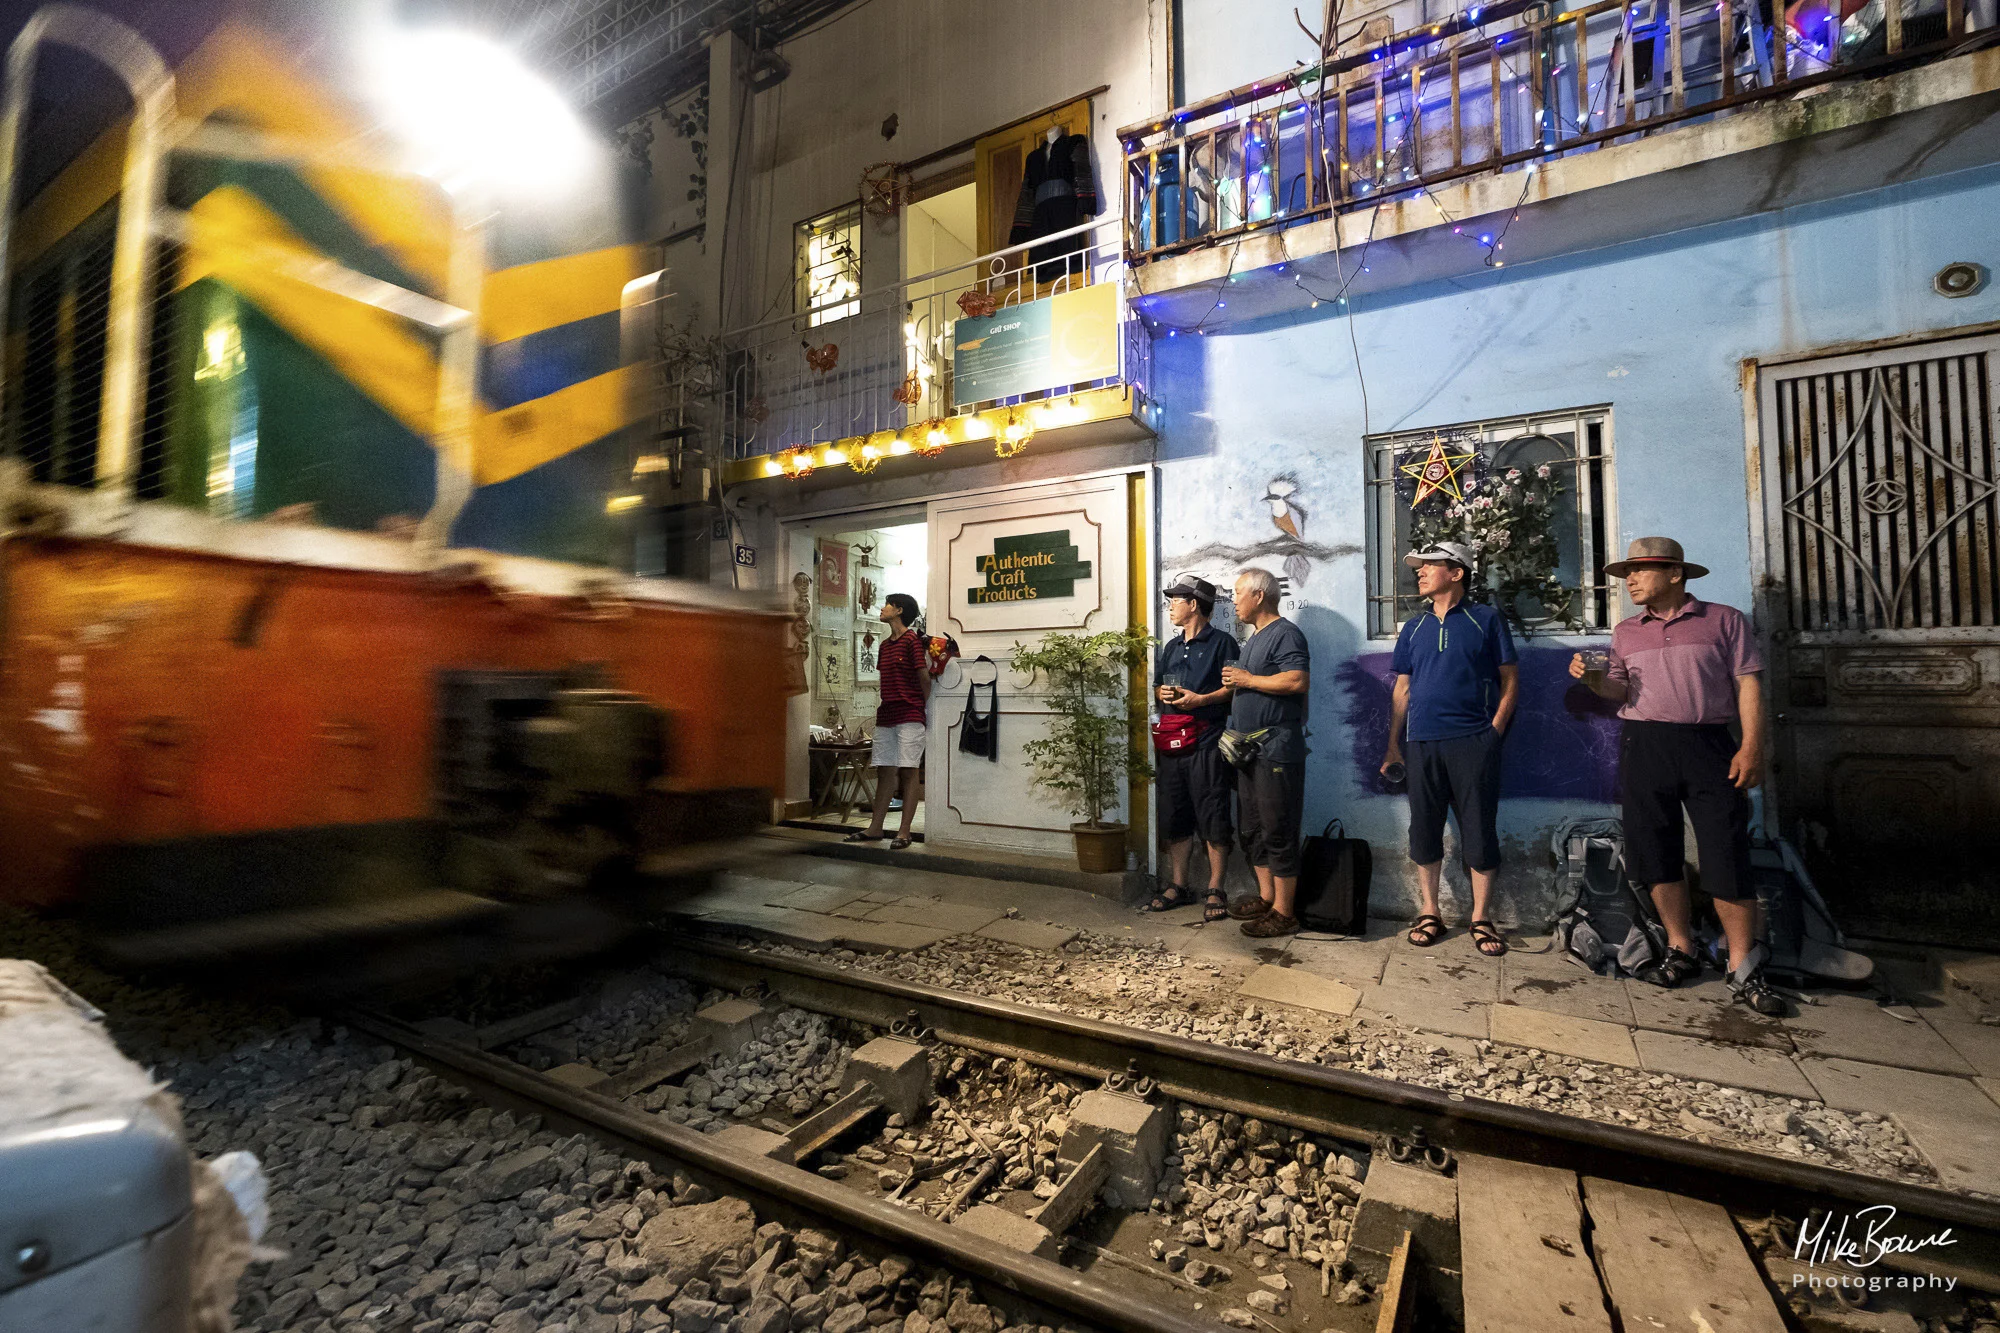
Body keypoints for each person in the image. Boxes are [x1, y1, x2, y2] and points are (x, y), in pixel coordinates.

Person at [1569, 536, 1782, 1016]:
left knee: (1725, 849)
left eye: (1640, 572)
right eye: (1627, 575)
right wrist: (1590, 678)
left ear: (1674, 574)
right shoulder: (1626, 631)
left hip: (1709, 743)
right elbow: (1617, 690)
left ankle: (1742, 963)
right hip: (1644, 744)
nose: (1631, 583)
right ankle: (1681, 947)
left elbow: (1748, 683)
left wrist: (1751, 746)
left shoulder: (1724, 621)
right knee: (1654, 848)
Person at [1381, 542, 1520, 956]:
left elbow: (1510, 680)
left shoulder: (1485, 620)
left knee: (1478, 828)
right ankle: (1430, 911)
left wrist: (1492, 733)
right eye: (1418, 567)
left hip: (1472, 742)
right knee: (1423, 828)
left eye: (1429, 566)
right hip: (1421, 743)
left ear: (1456, 572)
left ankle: (1480, 917)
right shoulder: (1414, 628)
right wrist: (1393, 746)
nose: (1420, 572)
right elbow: (1402, 688)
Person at [1220, 568, 1312, 938]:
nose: (1234, 601)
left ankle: (1285, 912)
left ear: (1259, 595)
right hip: (1249, 751)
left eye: (1238, 593)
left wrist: (1248, 679)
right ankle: (1267, 898)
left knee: (1278, 827)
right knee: (1253, 828)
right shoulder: (1255, 638)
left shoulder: (1286, 633)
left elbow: (1297, 680)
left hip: (1276, 751)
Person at [1144, 576, 1240, 921]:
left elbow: (1233, 690)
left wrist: (1202, 699)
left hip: (1207, 741)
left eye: (1176, 600)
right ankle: (1179, 885)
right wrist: (1162, 694)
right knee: (1175, 814)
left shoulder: (1223, 643)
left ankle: (1216, 887)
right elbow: (1157, 686)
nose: (1171, 605)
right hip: (1171, 742)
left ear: (1194, 604)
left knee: (1213, 813)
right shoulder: (1170, 647)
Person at [849, 592, 929, 850]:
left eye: (887, 605)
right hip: (887, 714)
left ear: (899, 610)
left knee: (908, 770)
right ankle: (875, 828)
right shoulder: (884, 645)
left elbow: (923, 678)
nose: (881, 609)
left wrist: (922, 707)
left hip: (910, 714)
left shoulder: (912, 641)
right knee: (884, 770)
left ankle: (904, 832)